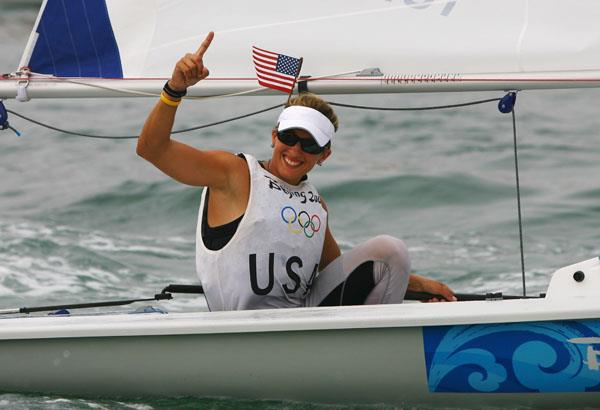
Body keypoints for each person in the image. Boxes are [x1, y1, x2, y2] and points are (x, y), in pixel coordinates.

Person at [137, 31, 456, 311]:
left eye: (310, 145)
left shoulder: (316, 205)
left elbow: (338, 276)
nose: (295, 151)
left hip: (302, 320)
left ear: (325, 155)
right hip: (239, 328)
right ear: (274, 136)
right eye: (289, 138)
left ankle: (373, 352)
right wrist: (174, 89)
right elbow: (152, 149)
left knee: (391, 252)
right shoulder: (235, 173)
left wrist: (422, 286)